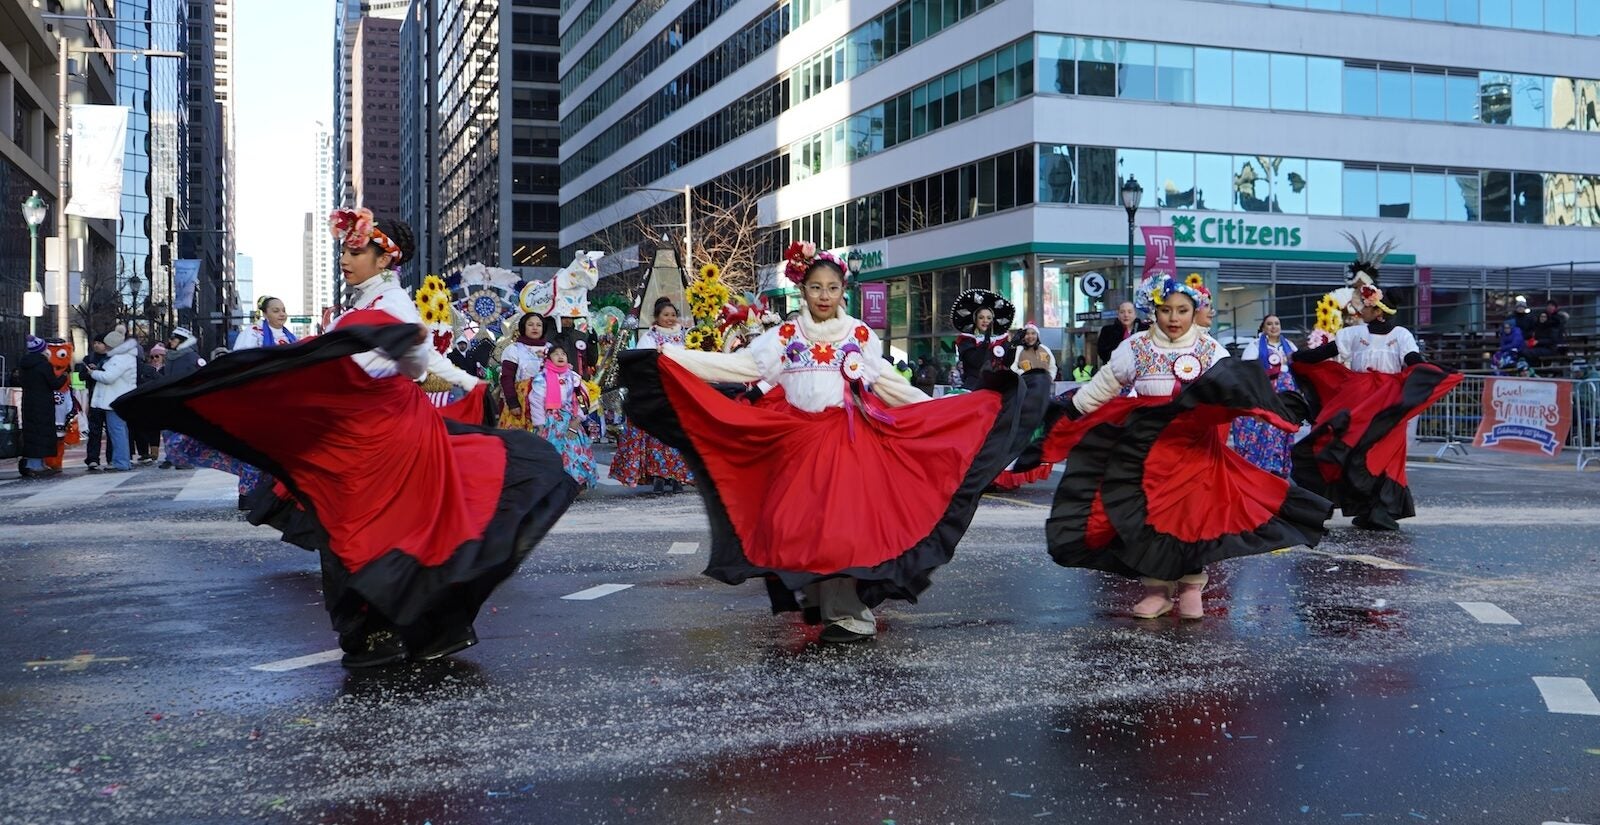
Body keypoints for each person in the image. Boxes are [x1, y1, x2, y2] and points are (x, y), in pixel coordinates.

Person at [114, 207, 577, 667]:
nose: (346, 258)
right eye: (345, 249)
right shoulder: (365, 305)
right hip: (363, 431)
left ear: (384, 259)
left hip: (384, 433)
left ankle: (381, 633)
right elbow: (407, 357)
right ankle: (400, 630)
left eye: (357, 250)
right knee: (359, 529)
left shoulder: (391, 303)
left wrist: (452, 378)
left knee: (358, 531)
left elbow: (415, 362)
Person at [618, 240, 1032, 644]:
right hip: (798, 440)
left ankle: (850, 613)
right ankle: (821, 598)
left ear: (842, 291)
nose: (824, 295)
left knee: (840, 528)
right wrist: (671, 358)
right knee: (802, 527)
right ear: (802, 289)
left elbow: (887, 383)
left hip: (848, 440)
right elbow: (742, 366)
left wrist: (939, 415)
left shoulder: (859, 333)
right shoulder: (784, 334)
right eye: (816, 287)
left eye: (832, 288)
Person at [1038, 274, 1329, 619]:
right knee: (1146, 518)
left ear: (1195, 312)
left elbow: (1238, 388)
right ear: (1153, 311)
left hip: (1194, 450)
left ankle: (1192, 585)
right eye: (1165, 310)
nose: (1174, 318)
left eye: (1182, 310)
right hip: (1144, 452)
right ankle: (1157, 589)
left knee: (1191, 517)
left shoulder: (1209, 349)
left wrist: (1277, 408)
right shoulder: (1134, 348)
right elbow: (1102, 388)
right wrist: (1068, 412)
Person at [1290, 232, 1461, 531]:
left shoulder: (1401, 335)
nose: (1359, 310)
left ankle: (1378, 510)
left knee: (1379, 454)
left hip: (1387, 403)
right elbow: (1321, 354)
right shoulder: (1354, 334)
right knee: (1337, 444)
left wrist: (1436, 371)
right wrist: (1295, 359)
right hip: (1357, 398)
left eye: (1365, 307)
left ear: (1378, 310)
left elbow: (1412, 362)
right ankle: (1348, 506)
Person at [608, 298, 695, 493]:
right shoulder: (649, 337)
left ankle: (677, 475)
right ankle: (658, 474)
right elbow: (640, 362)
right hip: (657, 390)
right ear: (656, 318)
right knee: (657, 435)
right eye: (666, 315)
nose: (670, 319)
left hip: (680, 390)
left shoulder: (686, 337)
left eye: (673, 315)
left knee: (680, 432)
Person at [1230, 315, 1299, 477]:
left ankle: (1279, 464)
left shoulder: (1289, 346)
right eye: (1269, 324)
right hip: (1265, 394)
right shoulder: (1254, 346)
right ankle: (1263, 463)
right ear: (1263, 328)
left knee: (1283, 427)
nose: (1273, 327)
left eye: (1277, 323)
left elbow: (1299, 368)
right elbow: (1247, 371)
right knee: (1267, 427)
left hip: (1286, 396)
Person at [531, 342, 598, 488]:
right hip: (550, 422)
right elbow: (536, 401)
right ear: (549, 358)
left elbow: (583, 400)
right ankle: (555, 485)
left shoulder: (574, 378)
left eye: (563, 354)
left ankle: (575, 483)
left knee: (575, 451)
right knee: (553, 452)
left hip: (570, 420)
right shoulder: (541, 378)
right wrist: (540, 425)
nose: (560, 357)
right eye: (556, 354)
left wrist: (577, 420)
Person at [87, 326, 138, 472]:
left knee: (117, 431)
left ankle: (121, 462)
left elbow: (109, 377)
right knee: (119, 431)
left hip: (115, 400)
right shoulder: (124, 357)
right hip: (119, 398)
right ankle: (121, 461)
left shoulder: (119, 358)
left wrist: (93, 373)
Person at [17, 336, 67, 478]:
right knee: (42, 432)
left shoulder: (24, 364)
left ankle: (33, 463)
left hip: (29, 402)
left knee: (32, 432)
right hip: (43, 403)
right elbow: (54, 384)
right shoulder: (44, 365)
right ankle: (36, 465)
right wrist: (63, 376)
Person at [952, 289, 1015, 392]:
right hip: (973, 387)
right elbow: (977, 362)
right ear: (975, 320)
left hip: (996, 388)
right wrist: (986, 340)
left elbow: (1007, 364)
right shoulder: (967, 341)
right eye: (981, 317)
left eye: (989, 318)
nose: (985, 321)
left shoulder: (1001, 341)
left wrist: (1014, 347)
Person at [498, 312, 550, 432]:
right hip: (521, 401)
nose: (535, 328)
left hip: (548, 401)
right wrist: (513, 403)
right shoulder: (514, 349)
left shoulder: (551, 349)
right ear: (523, 327)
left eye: (539, 325)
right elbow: (507, 378)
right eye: (530, 324)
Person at [78, 340, 110, 470]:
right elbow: (81, 376)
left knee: (111, 430)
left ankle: (111, 457)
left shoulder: (112, 358)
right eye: (95, 342)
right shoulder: (88, 358)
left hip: (109, 398)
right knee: (94, 430)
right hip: (94, 398)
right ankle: (92, 458)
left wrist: (97, 371)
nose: (96, 345)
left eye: (100, 343)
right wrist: (89, 372)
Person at [234, 295, 298, 351]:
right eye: (276, 311)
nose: (282, 314)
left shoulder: (291, 337)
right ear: (265, 314)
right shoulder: (252, 332)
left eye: (284, 311)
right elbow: (243, 356)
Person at [1096, 301, 1148, 365]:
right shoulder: (1107, 331)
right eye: (1122, 312)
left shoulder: (1145, 330)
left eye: (1130, 312)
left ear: (1135, 315)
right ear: (1118, 315)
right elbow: (1103, 353)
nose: (1126, 315)